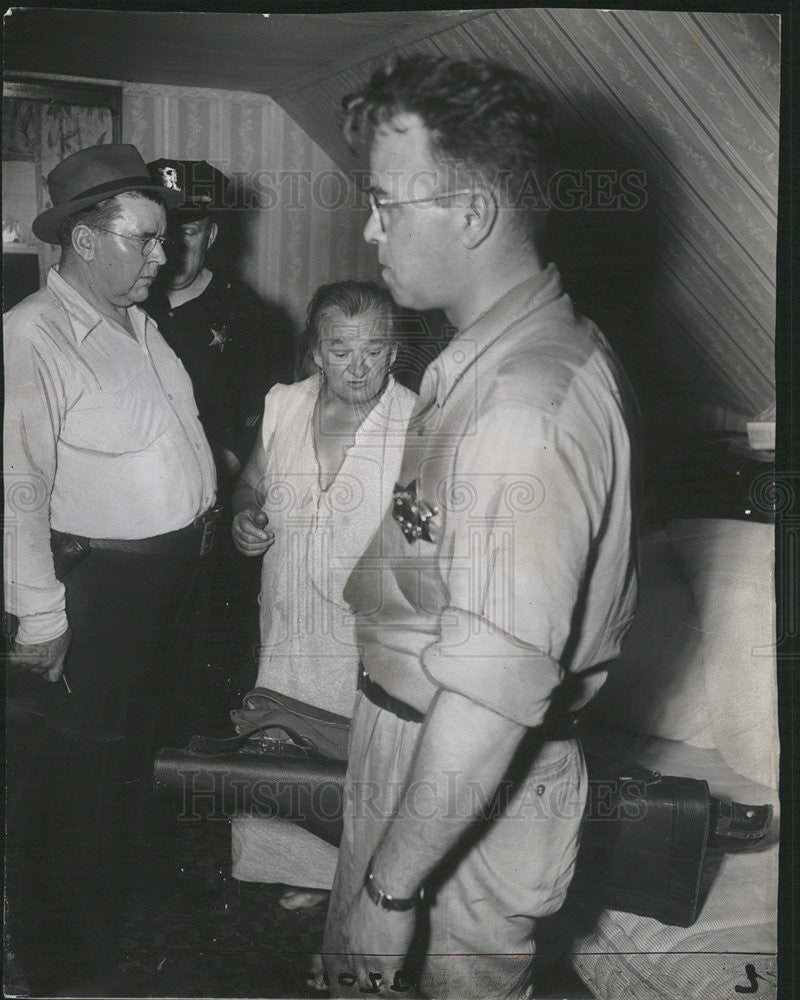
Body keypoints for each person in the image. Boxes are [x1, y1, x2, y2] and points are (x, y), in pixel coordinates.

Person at [321, 55, 640, 999]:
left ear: (472, 214)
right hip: (424, 758)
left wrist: (389, 887)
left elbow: (495, 697)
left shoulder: (522, 408)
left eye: (387, 202)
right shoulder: (493, 354)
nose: (368, 227)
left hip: (467, 783)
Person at [3, 143, 217, 988]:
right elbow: (16, 489)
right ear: (85, 240)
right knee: (70, 786)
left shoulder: (140, 323)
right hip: (96, 594)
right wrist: (44, 619)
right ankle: (57, 968)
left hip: (165, 586)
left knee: (128, 766)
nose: (164, 256)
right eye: (147, 239)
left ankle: (113, 920)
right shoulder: (31, 337)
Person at [229, 282, 416, 929]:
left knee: (367, 752)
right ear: (317, 352)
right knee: (283, 742)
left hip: (368, 631)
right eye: (342, 349)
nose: (359, 365)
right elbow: (251, 481)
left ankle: (364, 875)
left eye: (374, 349)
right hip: (287, 624)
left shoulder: (418, 422)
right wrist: (245, 515)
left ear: (394, 352)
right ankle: (300, 870)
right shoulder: (284, 405)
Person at [144, 159, 296, 727]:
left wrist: (213, 473)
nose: (175, 244)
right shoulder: (129, 301)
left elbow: (267, 422)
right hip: (141, 527)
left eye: (189, 228)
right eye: (164, 227)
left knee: (211, 672)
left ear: (210, 234)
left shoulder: (247, 313)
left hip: (217, 523)